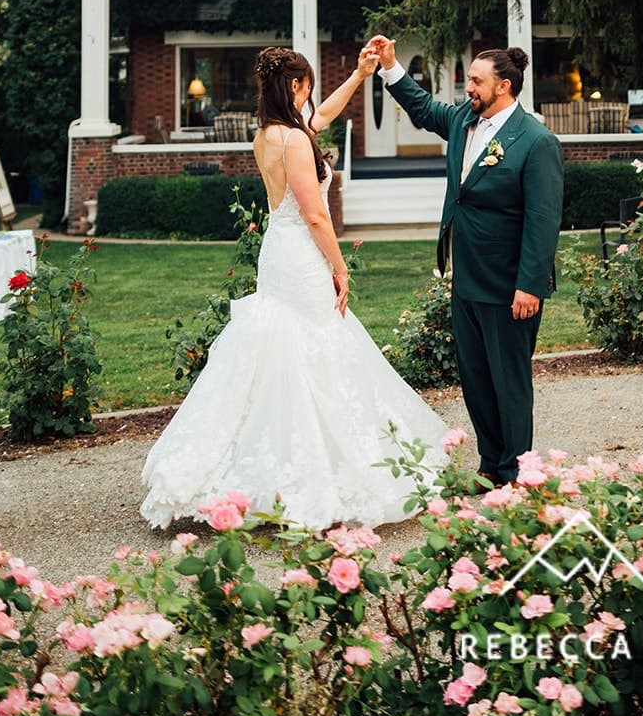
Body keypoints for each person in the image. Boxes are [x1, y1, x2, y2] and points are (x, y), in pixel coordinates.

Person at [141, 45, 446, 531]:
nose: (312, 96)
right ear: (298, 86)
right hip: (302, 254)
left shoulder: (267, 135)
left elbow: (320, 116)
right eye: (308, 86)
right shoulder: (297, 142)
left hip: (277, 252)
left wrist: (359, 75)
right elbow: (315, 215)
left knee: (278, 351)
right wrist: (340, 267)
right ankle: (313, 476)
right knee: (316, 349)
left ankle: (259, 466)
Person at [369, 37, 564, 485]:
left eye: (476, 81)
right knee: (476, 381)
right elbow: (422, 109)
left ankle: (518, 472)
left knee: (509, 383)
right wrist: (392, 67)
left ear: (505, 86)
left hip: (510, 284)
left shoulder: (535, 142)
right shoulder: (463, 120)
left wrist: (530, 284)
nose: (467, 88)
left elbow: (542, 220)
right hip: (467, 278)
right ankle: (490, 465)